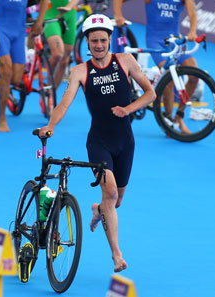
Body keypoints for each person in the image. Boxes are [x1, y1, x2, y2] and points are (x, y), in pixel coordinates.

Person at [39, 14, 156, 272]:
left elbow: (150, 93)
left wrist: (128, 109)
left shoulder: (125, 62)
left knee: (116, 201)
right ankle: (116, 254)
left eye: (103, 40)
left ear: (110, 40)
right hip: (99, 142)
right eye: (94, 41)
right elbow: (65, 102)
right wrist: (51, 125)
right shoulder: (80, 71)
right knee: (111, 193)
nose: (100, 45)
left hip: (126, 141)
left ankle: (98, 209)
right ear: (87, 43)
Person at [114, 0, 198, 134]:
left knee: (194, 75)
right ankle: (169, 123)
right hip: (156, 41)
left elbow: (192, 13)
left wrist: (192, 31)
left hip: (175, 41)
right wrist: (118, 15)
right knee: (168, 78)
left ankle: (179, 117)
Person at [0, 0, 49, 132]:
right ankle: (2, 119)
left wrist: (39, 21)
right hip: (0, 29)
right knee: (7, 71)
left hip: (19, 33)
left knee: (15, 80)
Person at [43, 0, 79, 88]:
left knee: (64, 61)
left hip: (70, 14)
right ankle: (48, 86)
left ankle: (52, 94)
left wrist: (69, 6)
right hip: (51, 13)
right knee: (57, 54)